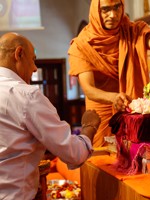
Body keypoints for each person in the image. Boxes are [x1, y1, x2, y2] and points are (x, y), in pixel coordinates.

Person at [68, 0, 150, 148]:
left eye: (117, 7)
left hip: (133, 109)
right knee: (103, 161)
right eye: (106, 10)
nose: (113, 15)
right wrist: (113, 97)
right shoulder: (81, 45)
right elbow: (88, 89)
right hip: (102, 114)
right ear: (95, 11)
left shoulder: (133, 31)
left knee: (138, 153)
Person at [0, 32, 101, 200]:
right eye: (33, 59)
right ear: (19, 54)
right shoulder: (26, 96)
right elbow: (73, 153)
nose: (34, 68)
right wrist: (89, 127)